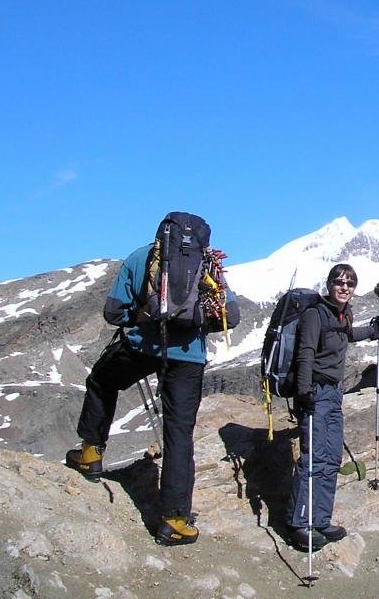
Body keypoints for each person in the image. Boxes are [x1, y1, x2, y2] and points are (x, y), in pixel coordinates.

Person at [65, 212, 240, 547]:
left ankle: (90, 454)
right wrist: (193, 324)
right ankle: (174, 520)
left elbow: (112, 313)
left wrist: (145, 316)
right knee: (178, 434)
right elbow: (231, 316)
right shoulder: (208, 264)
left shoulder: (142, 257)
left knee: (103, 381)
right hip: (188, 358)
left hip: (142, 346)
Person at [285, 263, 379, 552]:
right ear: (329, 284)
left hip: (333, 394)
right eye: (339, 282)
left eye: (350, 283)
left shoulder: (342, 314)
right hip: (315, 391)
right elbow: (306, 353)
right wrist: (303, 391)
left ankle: (321, 519)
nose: (344, 287)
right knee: (313, 457)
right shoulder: (315, 314)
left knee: (330, 457)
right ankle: (300, 523)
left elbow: (347, 334)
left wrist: (371, 331)